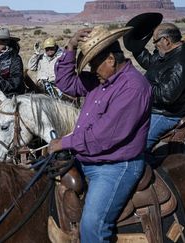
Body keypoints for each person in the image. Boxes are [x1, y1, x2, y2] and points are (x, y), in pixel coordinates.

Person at [49, 26, 152, 242]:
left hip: (115, 166)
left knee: (93, 227)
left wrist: (66, 142)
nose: (92, 70)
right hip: (87, 157)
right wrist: (70, 46)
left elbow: (103, 136)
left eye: (94, 64)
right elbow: (65, 83)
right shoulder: (101, 79)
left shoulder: (133, 87)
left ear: (111, 60)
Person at [130, 23, 185, 151]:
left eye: (155, 41)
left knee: (137, 146)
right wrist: (136, 47)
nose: (154, 45)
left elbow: (166, 96)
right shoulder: (169, 54)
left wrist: (141, 85)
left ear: (166, 40)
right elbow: (150, 62)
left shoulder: (180, 64)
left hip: (166, 114)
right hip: (156, 109)